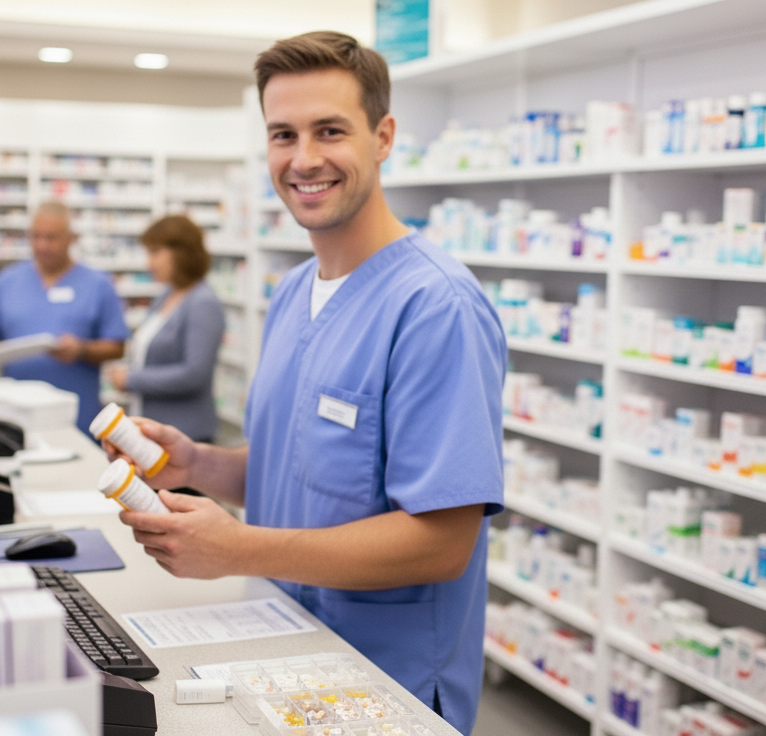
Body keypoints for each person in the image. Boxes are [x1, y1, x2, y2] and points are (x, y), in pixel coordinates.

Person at [108, 32, 506, 734]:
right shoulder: (294, 291)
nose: (304, 159)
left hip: (387, 684)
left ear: (382, 137)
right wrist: (199, 465)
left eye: (330, 130)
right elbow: (306, 466)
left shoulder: (435, 306)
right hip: (286, 647)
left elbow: (444, 540)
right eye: (282, 135)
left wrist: (237, 547)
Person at [0, 201, 129, 432]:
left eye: (51, 237)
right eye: (36, 236)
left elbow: (117, 347)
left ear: (71, 238)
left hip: (78, 417)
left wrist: (82, 350)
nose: (42, 245)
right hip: (14, 415)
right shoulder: (8, 281)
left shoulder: (98, 284)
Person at [107, 215, 225, 443]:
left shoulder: (202, 302)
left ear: (182, 251)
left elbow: (195, 374)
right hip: (153, 430)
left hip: (186, 437)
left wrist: (132, 380)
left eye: (155, 252)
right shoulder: (167, 296)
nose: (148, 263)